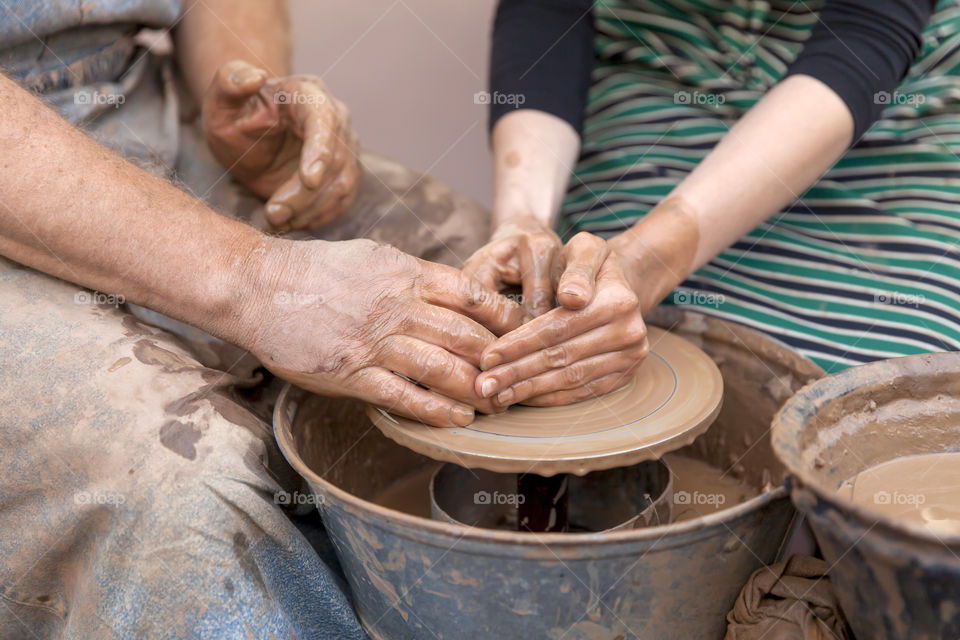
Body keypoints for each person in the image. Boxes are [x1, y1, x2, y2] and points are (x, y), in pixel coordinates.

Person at [0, 1, 524, 637]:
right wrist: (258, 281)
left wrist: (247, 89)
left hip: (131, 99)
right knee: (184, 487)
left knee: (480, 283)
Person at [465, 0, 957, 410]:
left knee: (893, 394)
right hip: (663, 54)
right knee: (580, 324)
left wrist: (646, 260)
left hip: (889, 91)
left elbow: (869, 32)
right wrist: (522, 217)